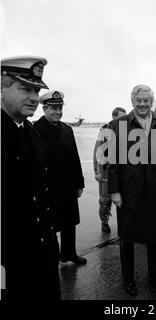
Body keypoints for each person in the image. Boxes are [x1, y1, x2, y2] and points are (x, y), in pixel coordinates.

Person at [1, 56, 61, 299]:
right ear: (1, 89)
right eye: (25, 88)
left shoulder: (32, 134)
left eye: (36, 90)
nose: (35, 98)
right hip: (10, 261)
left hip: (42, 254)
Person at [108, 85, 156, 296]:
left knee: (153, 236)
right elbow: (113, 160)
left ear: (151, 101)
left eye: (146, 100)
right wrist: (115, 191)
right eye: (139, 101)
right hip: (128, 191)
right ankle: (128, 280)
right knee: (127, 237)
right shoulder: (119, 125)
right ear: (132, 101)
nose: (143, 104)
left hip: (154, 190)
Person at [34, 90, 86, 265]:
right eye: (53, 108)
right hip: (49, 186)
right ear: (44, 108)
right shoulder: (35, 130)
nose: (57, 112)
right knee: (51, 226)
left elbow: (74, 158)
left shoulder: (67, 129)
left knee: (69, 223)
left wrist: (79, 183)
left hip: (68, 184)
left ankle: (69, 254)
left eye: (59, 108)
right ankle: (51, 258)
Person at [93, 107, 126, 233]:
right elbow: (97, 151)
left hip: (120, 170)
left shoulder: (126, 130)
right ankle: (104, 221)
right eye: (121, 116)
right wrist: (97, 170)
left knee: (122, 198)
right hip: (106, 169)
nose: (123, 119)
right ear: (114, 117)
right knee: (105, 200)